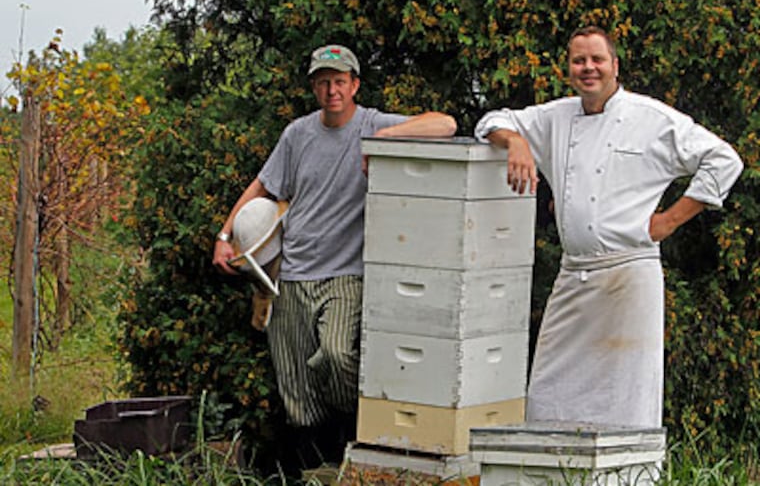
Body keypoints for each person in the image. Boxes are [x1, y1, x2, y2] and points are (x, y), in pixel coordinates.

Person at [474, 26, 743, 428]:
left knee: (627, 393)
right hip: (572, 274)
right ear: (568, 68)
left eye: (597, 59)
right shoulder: (554, 117)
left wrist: (669, 221)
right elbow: (490, 120)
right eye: (579, 60)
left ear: (615, 66)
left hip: (629, 273)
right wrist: (516, 142)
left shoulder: (652, 119)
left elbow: (724, 160)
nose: (588, 68)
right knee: (548, 386)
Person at [213, 44, 457, 467]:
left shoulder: (373, 122)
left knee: (336, 354)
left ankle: (349, 440)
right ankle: (316, 470)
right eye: (323, 82)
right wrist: (224, 234)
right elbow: (263, 186)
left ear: (355, 84)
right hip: (288, 274)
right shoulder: (297, 134)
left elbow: (447, 124)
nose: (332, 90)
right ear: (314, 87)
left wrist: (384, 139)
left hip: (345, 274)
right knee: (295, 387)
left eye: (339, 81)